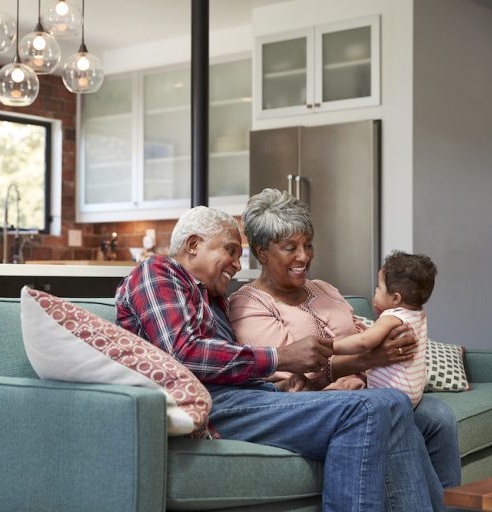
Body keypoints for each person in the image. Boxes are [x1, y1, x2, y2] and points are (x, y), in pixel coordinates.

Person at [115, 205, 443, 511]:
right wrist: (282, 357)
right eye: (230, 250)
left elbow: (231, 364)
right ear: (193, 244)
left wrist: (280, 389)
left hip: (245, 398)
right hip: (208, 405)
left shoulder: (212, 297)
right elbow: (184, 352)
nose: (237, 264)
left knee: (397, 406)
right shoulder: (157, 272)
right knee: (371, 406)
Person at [228, 188, 460, 493]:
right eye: (290, 248)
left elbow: (359, 333)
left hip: (370, 389)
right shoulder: (248, 305)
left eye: (307, 245)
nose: (304, 256)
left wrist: (395, 341)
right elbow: (293, 373)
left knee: (440, 416)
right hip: (323, 404)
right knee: (396, 422)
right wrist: (372, 359)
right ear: (261, 252)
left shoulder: (324, 288)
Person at [332, 250, 436, 407]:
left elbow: (363, 342)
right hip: (412, 393)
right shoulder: (418, 314)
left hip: (391, 396)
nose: (375, 291)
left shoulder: (392, 317)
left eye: (378, 287)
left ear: (395, 298)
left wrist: (331, 347)